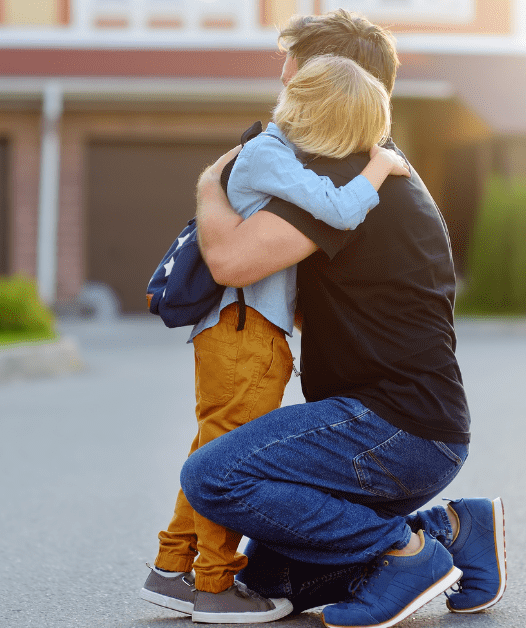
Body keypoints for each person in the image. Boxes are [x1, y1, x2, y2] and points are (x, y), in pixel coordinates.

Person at [175, 10, 506, 627]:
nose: (282, 77)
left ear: (328, 78)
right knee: (275, 576)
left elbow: (229, 260)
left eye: (292, 66)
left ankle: (404, 553)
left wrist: (209, 184)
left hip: (391, 429)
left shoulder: (340, 173)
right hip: (410, 429)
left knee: (214, 478)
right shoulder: (369, 164)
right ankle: (455, 529)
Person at [140, 54, 415, 623]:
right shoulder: (269, 153)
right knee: (225, 463)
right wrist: (379, 169)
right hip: (245, 334)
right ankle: (214, 584)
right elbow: (339, 209)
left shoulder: (269, 153)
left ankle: (171, 568)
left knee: (210, 450)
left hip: (242, 333)